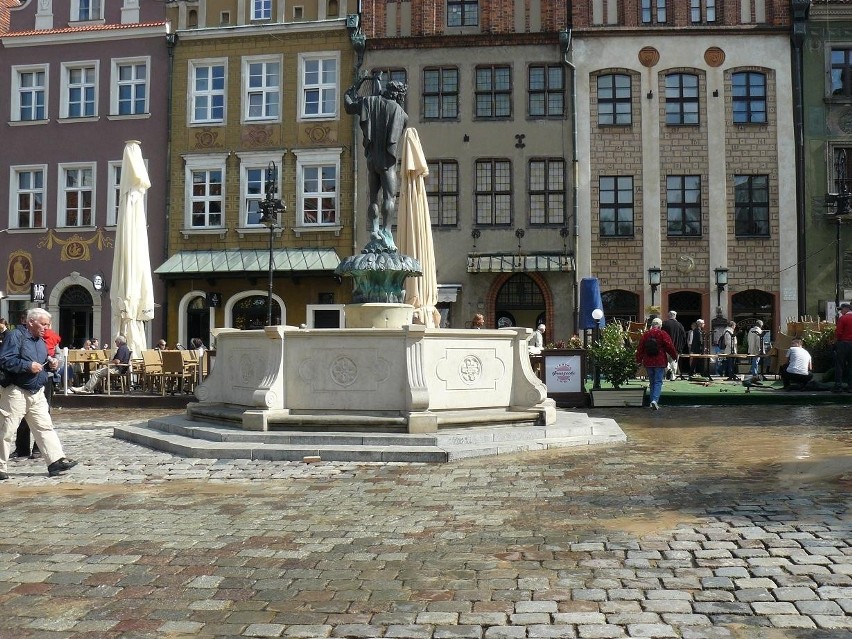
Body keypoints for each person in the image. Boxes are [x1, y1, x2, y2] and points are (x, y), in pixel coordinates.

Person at [0, 308, 78, 479]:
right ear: (30, 322)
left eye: (48, 325)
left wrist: (51, 364)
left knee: (45, 427)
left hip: (37, 391)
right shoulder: (15, 336)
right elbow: (5, 359)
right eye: (43, 324)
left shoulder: (40, 341)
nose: (46, 328)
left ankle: (55, 460)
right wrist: (27, 366)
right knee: (6, 429)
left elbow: (41, 361)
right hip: (16, 391)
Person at [344, 72, 408, 250]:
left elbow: (349, 106)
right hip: (387, 161)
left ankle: (374, 229)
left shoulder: (369, 102)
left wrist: (349, 92)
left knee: (373, 197)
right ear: (398, 95)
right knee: (389, 197)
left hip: (372, 159)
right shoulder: (401, 114)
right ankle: (387, 231)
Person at [636, 317, 678, 410]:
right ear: (660, 325)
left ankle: (652, 402)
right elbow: (669, 346)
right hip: (660, 361)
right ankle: (654, 400)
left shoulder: (646, 334)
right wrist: (674, 356)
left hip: (648, 361)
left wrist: (638, 360)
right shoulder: (662, 333)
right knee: (658, 381)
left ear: (652, 325)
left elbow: (640, 348)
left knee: (652, 382)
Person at [661, 311, 687, 380]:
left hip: (666, 347)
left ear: (668, 316)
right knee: (674, 361)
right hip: (676, 347)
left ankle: (668, 369)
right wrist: (681, 347)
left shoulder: (664, 324)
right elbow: (684, 337)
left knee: (665, 361)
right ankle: (672, 376)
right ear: (675, 316)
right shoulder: (680, 325)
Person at [834, 302, 852, 393]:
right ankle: (850, 386)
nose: (841, 312)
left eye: (841, 310)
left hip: (844, 343)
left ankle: (838, 386)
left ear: (846, 309)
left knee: (839, 365)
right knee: (851, 366)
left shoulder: (843, 318)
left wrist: (836, 342)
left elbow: (839, 333)